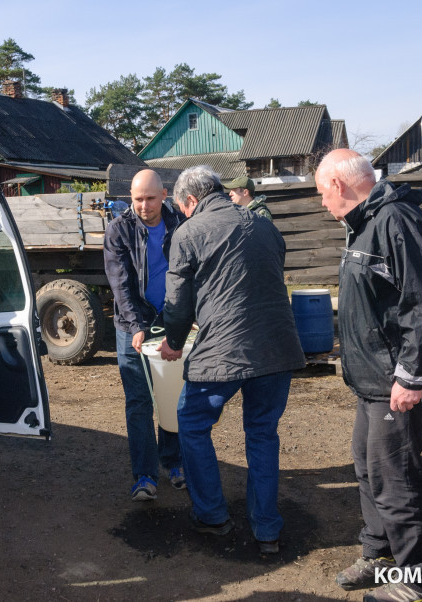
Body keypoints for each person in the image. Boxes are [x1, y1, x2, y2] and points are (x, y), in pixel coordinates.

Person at [316, 149, 422, 602]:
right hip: (373, 381)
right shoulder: (366, 224)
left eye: (320, 192)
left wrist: (412, 378)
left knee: (396, 480)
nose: (319, 202)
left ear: (338, 185)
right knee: (368, 469)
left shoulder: (396, 221)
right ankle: (379, 555)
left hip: (396, 383)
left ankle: (419, 584)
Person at [158, 165, 304, 553]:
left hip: (223, 349)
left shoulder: (188, 232)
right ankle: (267, 530)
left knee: (190, 423)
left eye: (181, 207)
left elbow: (176, 302)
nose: (183, 214)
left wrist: (173, 341)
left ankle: (211, 515)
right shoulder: (264, 226)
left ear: (191, 200)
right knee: (262, 434)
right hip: (277, 348)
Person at [103, 169, 185, 501]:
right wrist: (137, 326)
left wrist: (184, 318)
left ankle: (175, 462)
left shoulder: (180, 223)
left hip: (170, 319)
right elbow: (120, 284)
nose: (144, 205)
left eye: (150, 198)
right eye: (137, 199)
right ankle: (144, 476)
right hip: (130, 325)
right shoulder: (118, 230)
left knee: (172, 396)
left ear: (163, 195)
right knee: (138, 401)